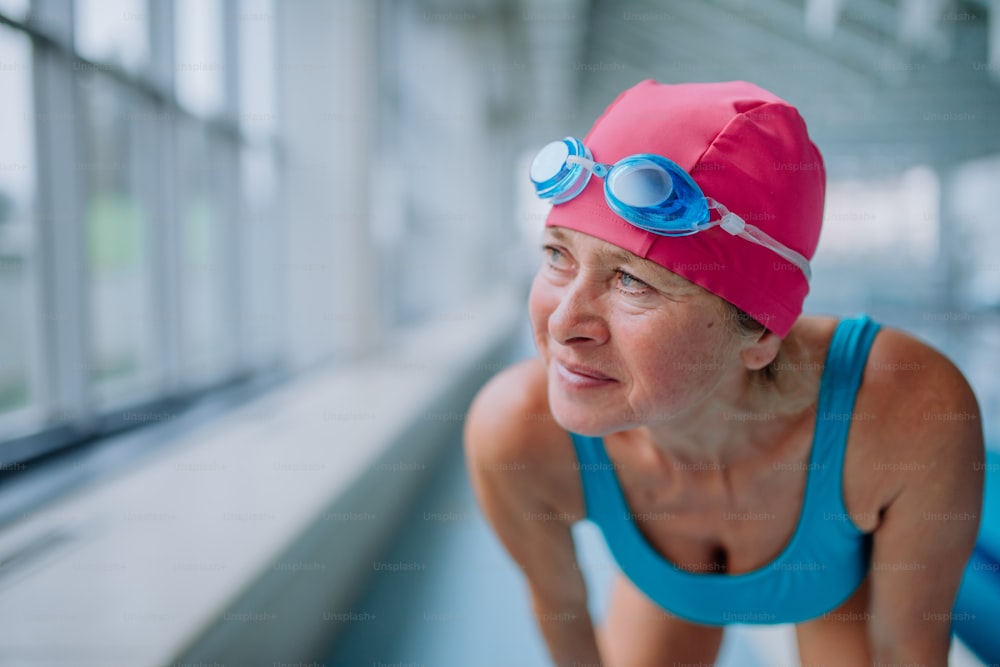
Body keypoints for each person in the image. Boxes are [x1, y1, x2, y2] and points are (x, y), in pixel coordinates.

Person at [463, 80, 984, 667]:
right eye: (558, 255)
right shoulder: (514, 433)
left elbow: (907, 652)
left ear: (761, 332)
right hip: (667, 584)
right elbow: (565, 620)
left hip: (834, 572)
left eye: (632, 282)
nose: (562, 324)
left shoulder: (902, 410)